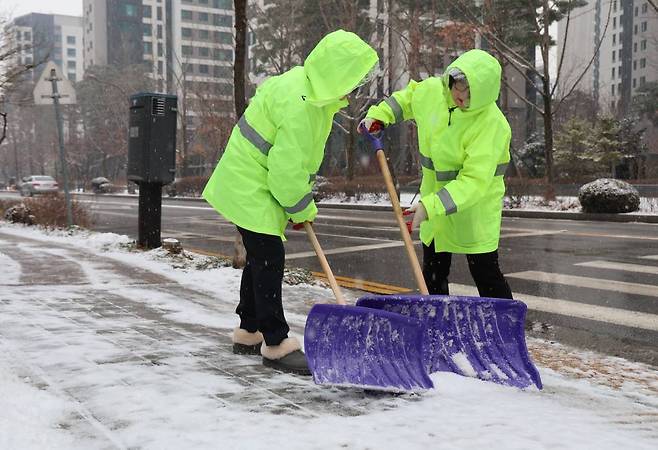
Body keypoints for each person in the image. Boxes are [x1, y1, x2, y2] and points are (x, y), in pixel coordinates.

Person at [203, 30, 379, 375]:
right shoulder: (304, 105)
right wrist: (301, 207)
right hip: (250, 184)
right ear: (338, 74)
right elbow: (285, 172)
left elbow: (295, 163)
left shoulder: (310, 91)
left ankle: (248, 331)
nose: (355, 90)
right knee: (269, 258)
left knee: (259, 258)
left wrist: (297, 202)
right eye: (354, 81)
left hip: (250, 181)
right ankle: (276, 343)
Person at [359, 49, 513, 299]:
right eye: (458, 88)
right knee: (433, 272)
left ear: (484, 92)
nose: (461, 97)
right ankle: (435, 324)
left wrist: (430, 206)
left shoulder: (492, 124)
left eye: (470, 92)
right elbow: (406, 99)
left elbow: (474, 182)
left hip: (474, 209)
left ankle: (505, 329)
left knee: (485, 272)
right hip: (434, 205)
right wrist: (379, 116)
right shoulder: (433, 93)